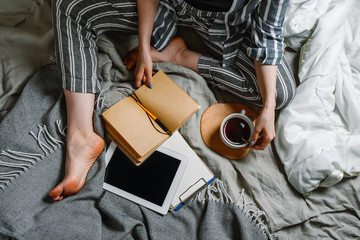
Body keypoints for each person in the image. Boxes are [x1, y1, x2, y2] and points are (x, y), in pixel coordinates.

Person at [49, 0, 296, 201]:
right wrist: (144, 46)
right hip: (165, 7)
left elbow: (267, 34)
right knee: (69, 6)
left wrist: (268, 107)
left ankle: (178, 56)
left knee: (279, 92)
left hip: (226, 28)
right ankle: (81, 136)